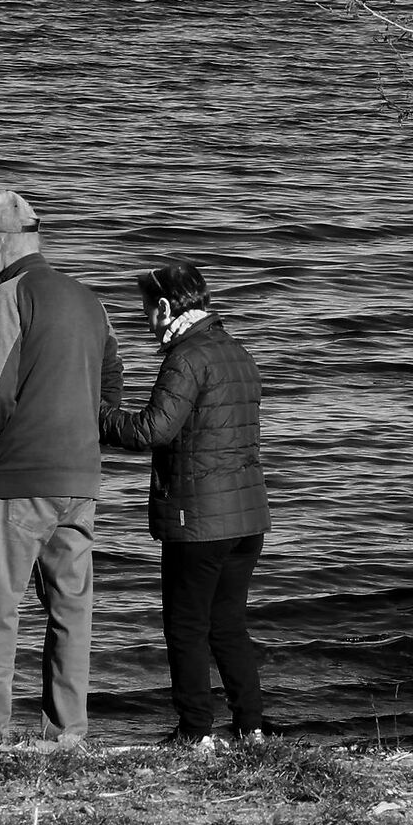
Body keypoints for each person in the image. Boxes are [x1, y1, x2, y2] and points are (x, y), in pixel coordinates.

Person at [0, 190, 123, 746]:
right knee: (70, 609)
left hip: (21, 480)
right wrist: (84, 435)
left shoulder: (10, 293)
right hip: (81, 479)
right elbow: (113, 380)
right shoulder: (89, 299)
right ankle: (66, 735)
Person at [101, 261, 271, 747]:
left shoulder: (187, 357)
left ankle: (196, 731)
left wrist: (101, 419)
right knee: (229, 626)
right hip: (248, 517)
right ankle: (251, 727)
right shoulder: (236, 352)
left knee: (186, 627)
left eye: (144, 309)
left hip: (198, 520)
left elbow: (154, 429)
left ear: (164, 306)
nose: (143, 320)